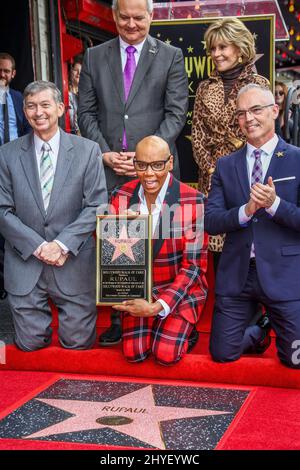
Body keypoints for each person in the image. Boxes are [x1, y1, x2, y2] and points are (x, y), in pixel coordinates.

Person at [78, 0, 188, 345]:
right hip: (111, 167)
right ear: (113, 16)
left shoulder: (171, 57)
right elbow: (86, 114)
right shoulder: (95, 57)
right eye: (123, 16)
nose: (131, 24)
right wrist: (105, 154)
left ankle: (164, 311)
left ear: (151, 16)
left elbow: (176, 113)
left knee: (159, 243)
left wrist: (147, 157)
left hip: (154, 168)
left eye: (138, 17)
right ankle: (119, 317)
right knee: (119, 244)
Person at [0, 80, 107, 352]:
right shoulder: (6, 155)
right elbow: (2, 210)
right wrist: (39, 247)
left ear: (60, 108)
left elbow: (96, 204)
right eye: (31, 106)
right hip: (26, 263)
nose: (39, 112)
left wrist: (60, 245)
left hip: (72, 261)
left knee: (78, 344)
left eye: (45, 105)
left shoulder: (87, 150)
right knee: (29, 345)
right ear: (24, 112)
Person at [205, 84, 300, 369]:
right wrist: (246, 211)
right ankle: (260, 331)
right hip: (238, 275)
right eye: (242, 113)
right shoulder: (225, 165)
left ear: (274, 110)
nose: (249, 119)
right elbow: (211, 222)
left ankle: (273, 320)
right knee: (222, 354)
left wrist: (274, 205)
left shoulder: (297, 158)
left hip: (285, 276)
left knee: (295, 361)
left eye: (256, 110)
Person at [108, 135, 208, 365]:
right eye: (141, 165)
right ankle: (157, 325)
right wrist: (116, 229)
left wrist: (157, 306)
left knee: (165, 355)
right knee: (135, 354)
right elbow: (109, 255)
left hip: (179, 291)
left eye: (157, 165)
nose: (149, 173)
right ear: (135, 165)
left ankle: (181, 326)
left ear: (170, 163)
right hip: (138, 289)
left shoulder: (194, 201)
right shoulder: (120, 196)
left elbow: (193, 267)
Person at [192, 17, 269, 263]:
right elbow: (198, 136)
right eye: (212, 48)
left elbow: (265, 135)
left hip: (250, 175)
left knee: (250, 249)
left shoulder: (258, 84)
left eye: (222, 47)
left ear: (239, 47)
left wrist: (235, 169)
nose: (216, 54)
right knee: (217, 255)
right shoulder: (204, 87)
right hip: (212, 180)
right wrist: (214, 171)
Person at [0, 52, 31, 299]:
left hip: (14, 164)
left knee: (16, 215)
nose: (2, 74)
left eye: (6, 70)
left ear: (13, 74)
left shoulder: (19, 98)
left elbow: (26, 130)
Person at [68, 60, 82, 135]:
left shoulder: (85, 93)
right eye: (76, 70)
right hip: (71, 133)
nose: (78, 73)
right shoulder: (66, 92)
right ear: (71, 71)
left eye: (81, 71)